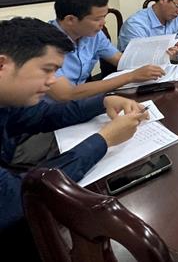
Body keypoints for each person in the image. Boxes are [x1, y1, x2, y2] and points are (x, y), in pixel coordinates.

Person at [0, 17, 149, 232]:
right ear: (2, 65)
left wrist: (103, 102)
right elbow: (17, 198)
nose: (53, 80)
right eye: (47, 69)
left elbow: (45, 115)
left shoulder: (9, 101)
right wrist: (104, 140)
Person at [42, 0, 165, 102]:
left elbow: (121, 60)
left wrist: (161, 57)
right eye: (97, 19)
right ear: (70, 20)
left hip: (81, 99)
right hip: (50, 110)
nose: (103, 23)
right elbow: (65, 94)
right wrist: (130, 76)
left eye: (104, 17)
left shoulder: (93, 34)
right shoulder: (43, 44)